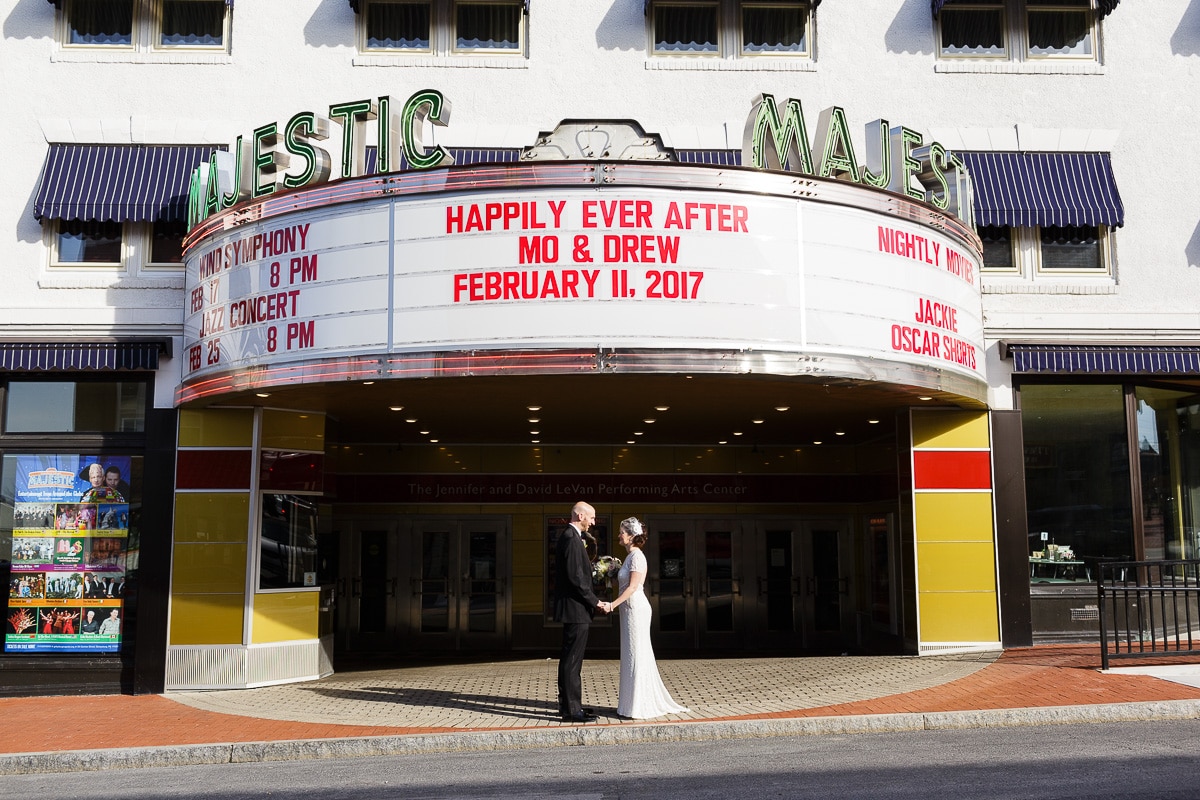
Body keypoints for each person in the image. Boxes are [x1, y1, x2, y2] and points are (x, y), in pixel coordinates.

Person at [600, 517, 689, 720]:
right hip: (628, 611)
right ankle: (630, 703)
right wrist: (610, 573)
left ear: (631, 536)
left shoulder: (637, 557)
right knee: (631, 653)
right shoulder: (630, 557)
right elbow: (623, 584)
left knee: (637, 653)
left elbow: (632, 587)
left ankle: (639, 704)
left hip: (635, 609)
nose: (619, 535)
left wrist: (612, 605)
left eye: (622, 532)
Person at [553, 501, 605, 723]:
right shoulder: (571, 538)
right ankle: (572, 710)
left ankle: (569, 705)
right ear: (581, 515)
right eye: (591, 518)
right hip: (576, 610)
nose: (593, 522)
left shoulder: (572, 538)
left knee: (570, 658)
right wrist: (595, 602)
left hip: (575, 609)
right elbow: (576, 578)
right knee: (573, 659)